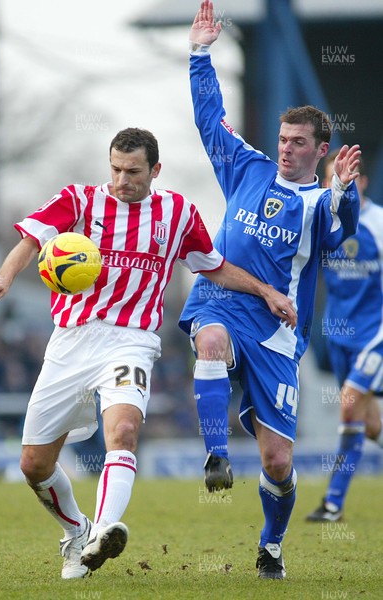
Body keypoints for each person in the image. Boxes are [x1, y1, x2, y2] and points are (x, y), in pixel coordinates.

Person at [0, 127, 296, 580]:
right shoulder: (81, 200)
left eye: (133, 171)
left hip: (132, 340)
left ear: (155, 171)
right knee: (33, 464)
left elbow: (215, 267)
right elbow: (31, 238)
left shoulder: (178, 213)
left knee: (123, 431)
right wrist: (5, 278)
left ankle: (102, 534)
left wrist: (266, 291)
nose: (122, 179)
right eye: (116, 169)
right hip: (71, 339)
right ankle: (76, 531)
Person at [178, 1, 361, 580]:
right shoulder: (247, 167)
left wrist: (346, 196)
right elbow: (211, 119)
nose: (285, 147)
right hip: (223, 301)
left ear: (320, 150)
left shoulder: (319, 204)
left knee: (278, 462)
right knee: (208, 342)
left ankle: (272, 545)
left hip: (278, 335)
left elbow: (340, 232)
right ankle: (214, 456)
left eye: (298, 142)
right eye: (282, 138)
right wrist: (200, 53)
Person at [306, 152, 383, 522]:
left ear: (362, 182)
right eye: (328, 176)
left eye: (345, 174)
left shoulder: (380, 224)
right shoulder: (323, 223)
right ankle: (332, 504)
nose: (332, 182)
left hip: (375, 335)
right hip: (338, 335)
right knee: (370, 425)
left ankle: (333, 503)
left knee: (349, 404)